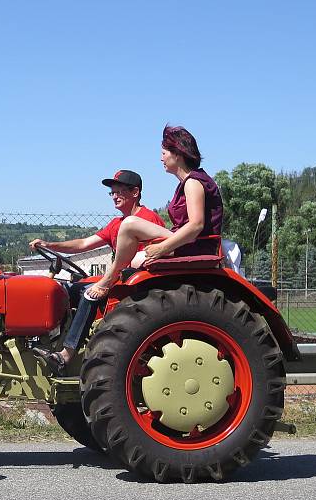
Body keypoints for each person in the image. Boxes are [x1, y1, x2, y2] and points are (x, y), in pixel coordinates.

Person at [29, 170, 165, 376]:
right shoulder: (117, 224)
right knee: (65, 289)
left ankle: (66, 354)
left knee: (88, 294)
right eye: (112, 193)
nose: (115, 196)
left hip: (133, 285)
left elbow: (152, 256)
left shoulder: (148, 219)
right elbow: (84, 243)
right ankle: (49, 341)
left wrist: (105, 283)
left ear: (135, 192)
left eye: (120, 191)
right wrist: (50, 244)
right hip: (116, 280)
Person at [87, 125, 223, 301]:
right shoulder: (189, 181)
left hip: (197, 244)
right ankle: (116, 279)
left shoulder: (193, 182)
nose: (161, 159)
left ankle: (110, 277)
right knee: (135, 258)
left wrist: (162, 248)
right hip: (190, 242)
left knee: (129, 224)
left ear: (178, 153)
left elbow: (196, 225)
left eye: (164, 153)